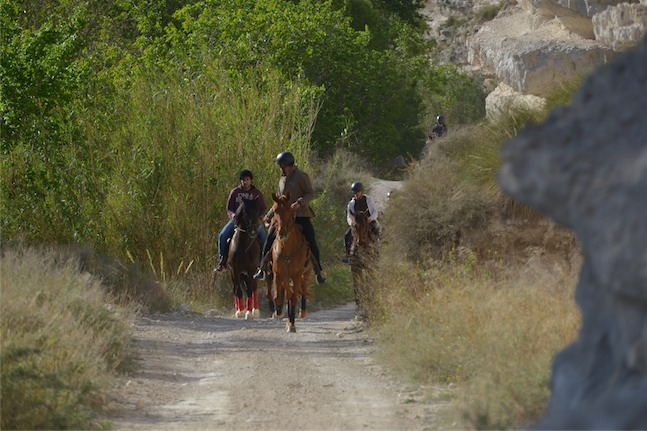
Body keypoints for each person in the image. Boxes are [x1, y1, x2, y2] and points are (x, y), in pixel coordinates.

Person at [253, 151, 326, 284]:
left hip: (300, 215)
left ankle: (318, 270)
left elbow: (310, 194)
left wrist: (299, 203)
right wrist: (269, 216)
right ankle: (262, 268)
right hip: (283, 217)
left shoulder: (302, 176)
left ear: (287, 164)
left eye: (281, 165)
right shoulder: (281, 180)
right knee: (269, 237)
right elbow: (278, 202)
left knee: (311, 237)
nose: (280, 168)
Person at [214, 169, 267, 273]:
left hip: (253, 221)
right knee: (222, 235)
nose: (245, 182)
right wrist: (232, 215)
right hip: (238, 221)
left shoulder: (256, 193)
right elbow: (229, 208)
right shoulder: (235, 192)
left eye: (247, 179)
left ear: (251, 180)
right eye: (243, 180)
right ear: (240, 181)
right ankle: (222, 261)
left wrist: (262, 216)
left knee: (263, 236)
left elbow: (262, 208)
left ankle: (263, 262)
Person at [341, 182, 380, 264]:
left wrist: (371, 218)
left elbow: (375, 211)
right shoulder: (351, 204)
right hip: (357, 224)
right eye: (354, 193)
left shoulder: (369, 200)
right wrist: (352, 222)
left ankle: (377, 253)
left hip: (368, 222)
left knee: (376, 231)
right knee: (347, 236)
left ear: (361, 191)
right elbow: (349, 216)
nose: (356, 194)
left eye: (357, 192)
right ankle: (348, 257)